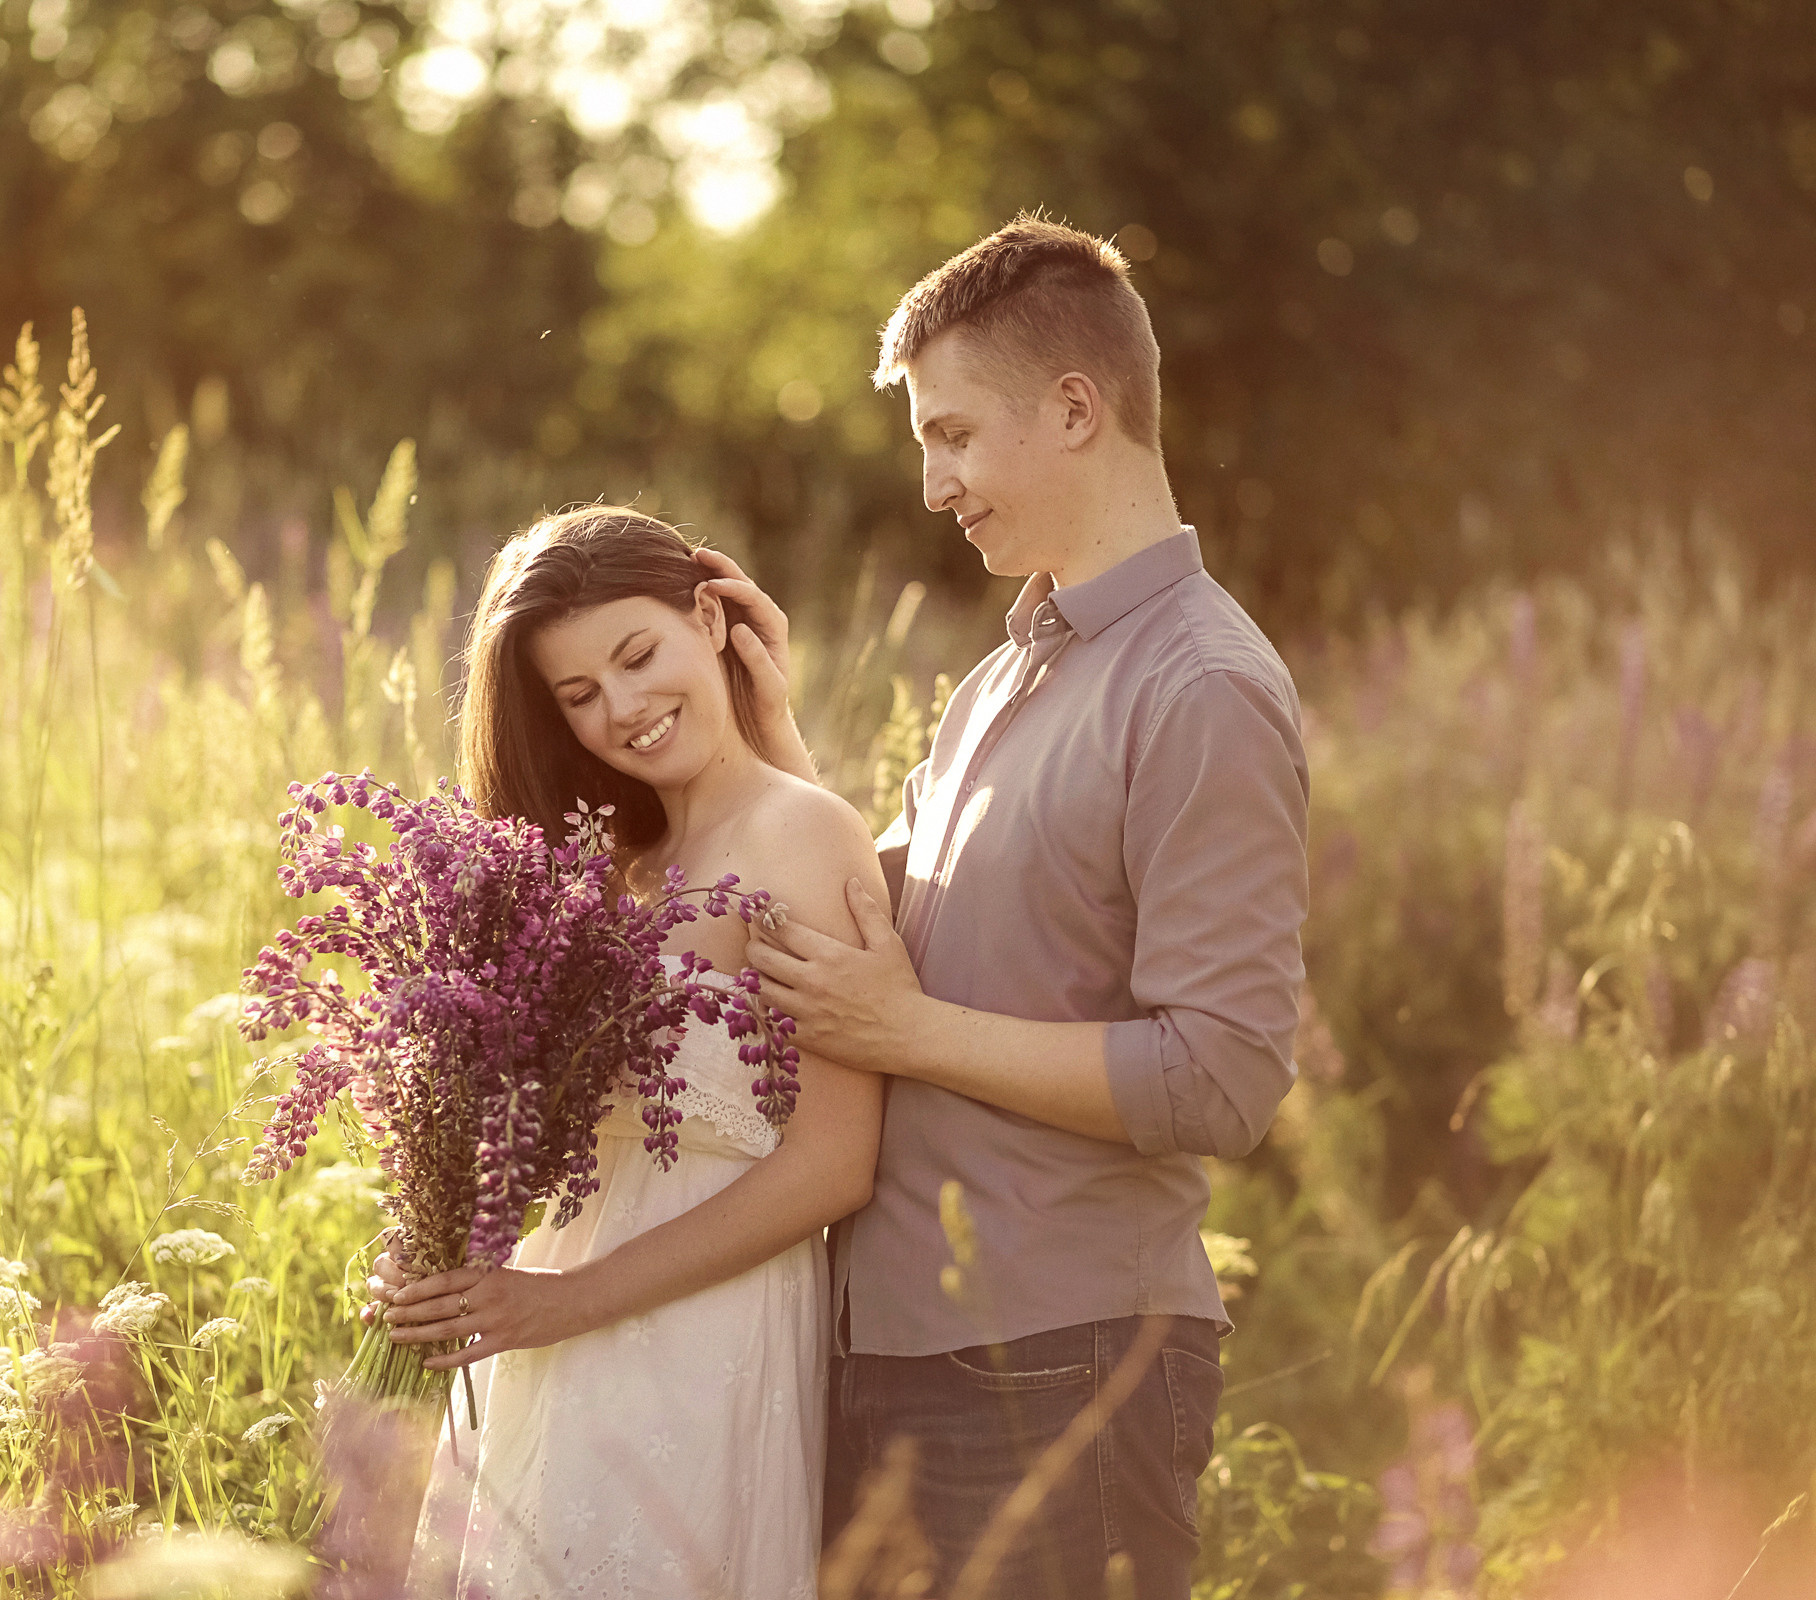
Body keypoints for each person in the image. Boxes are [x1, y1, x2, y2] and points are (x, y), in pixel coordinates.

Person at [695, 214, 1312, 1599]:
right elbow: (883, 928)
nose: (934, 484)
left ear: (1078, 410)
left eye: (955, 435)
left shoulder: (1200, 687)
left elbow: (1223, 1076)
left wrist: (912, 1037)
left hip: (1061, 1364)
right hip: (898, 1347)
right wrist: (772, 733)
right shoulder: (1003, 676)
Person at [372, 506, 887, 1599]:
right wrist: (434, 1241)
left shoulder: (800, 835)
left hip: (700, 1349)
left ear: (710, 615)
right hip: (543, 1337)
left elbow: (836, 1160)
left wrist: (569, 1301)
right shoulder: (609, 866)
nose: (624, 711)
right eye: (578, 695)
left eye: (639, 655)